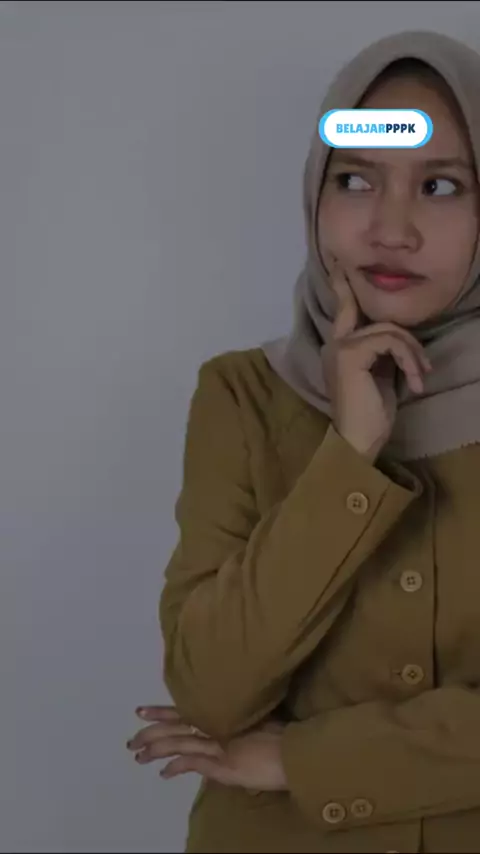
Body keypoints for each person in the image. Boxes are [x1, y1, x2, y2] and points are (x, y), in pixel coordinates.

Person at [127, 29, 480, 854]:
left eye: (440, 185)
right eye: (355, 179)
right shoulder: (243, 397)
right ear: (315, 195)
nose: (390, 229)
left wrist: (300, 759)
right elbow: (211, 688)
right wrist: (347, 453)